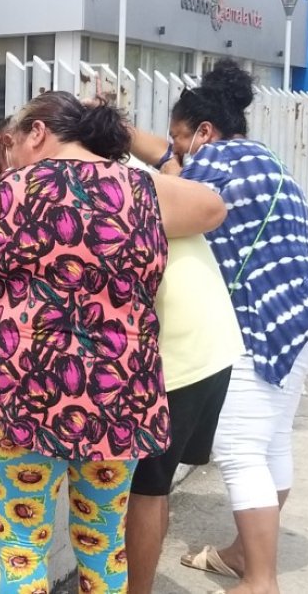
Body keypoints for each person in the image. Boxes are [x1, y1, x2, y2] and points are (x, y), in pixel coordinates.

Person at [0, 93, 227, 594]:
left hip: (25, 395)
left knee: (22, 553)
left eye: (10, 146)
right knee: (104, 549)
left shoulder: (15, 189)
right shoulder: (143, 190)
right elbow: (213, 206)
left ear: (37, 133)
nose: (9, 159)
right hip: (119, 397)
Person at [128, 59, 308, 594]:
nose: (174, 151)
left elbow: (171, 190)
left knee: (240, 448)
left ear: (204, 132)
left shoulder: (214, 162)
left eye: (180, 139)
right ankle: (243, 554)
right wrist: (132, 136)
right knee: (272, 441)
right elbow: (171, 163)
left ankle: (260, 580)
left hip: (265, 319)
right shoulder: (256, 157)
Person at [123, 231, 244, 594]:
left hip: (176, 358)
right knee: (154, 488)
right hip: (207, 348)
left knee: (145, 489)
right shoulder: (146, 185)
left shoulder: (117, 183)